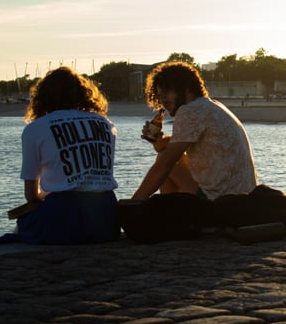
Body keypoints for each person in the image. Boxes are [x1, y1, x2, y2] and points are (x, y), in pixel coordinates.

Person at [16, 66, 120, 244]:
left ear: (42, 96)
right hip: (106, 217)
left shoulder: (35, 129)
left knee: (23, 224)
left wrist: (49, 193)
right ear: (83, 93)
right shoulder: (105, 123)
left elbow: (31, 195)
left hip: (63, 214)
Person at [131, 61, 258, 201]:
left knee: (163, 160)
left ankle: (162, 212)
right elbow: (174, 148)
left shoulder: (190, 111)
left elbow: (165, 164)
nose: (162, 100)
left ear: (185, 88)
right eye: (159, 96)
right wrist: (158, 141)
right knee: (166, 157)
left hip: (221, 202)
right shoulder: (212, 106)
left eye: (166, 92)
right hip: (245, 200)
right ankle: (171, 212)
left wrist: (131, 203)